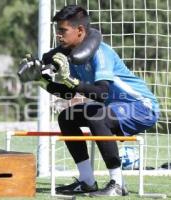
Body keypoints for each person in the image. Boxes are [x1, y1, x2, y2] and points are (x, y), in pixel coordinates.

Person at [19, 5, 159, 197]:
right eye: (57, 30)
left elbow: (101, 93)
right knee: (67, 117)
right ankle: (87, 181)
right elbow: (69, 93)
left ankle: (118, 183)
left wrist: (71, 81)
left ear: (80, 31)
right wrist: (41, 81)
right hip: (114, 108)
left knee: (96, 115)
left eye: (63, 30)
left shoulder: (100, 53)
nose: (58, 35)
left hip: (141, 107)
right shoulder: (72, 56)